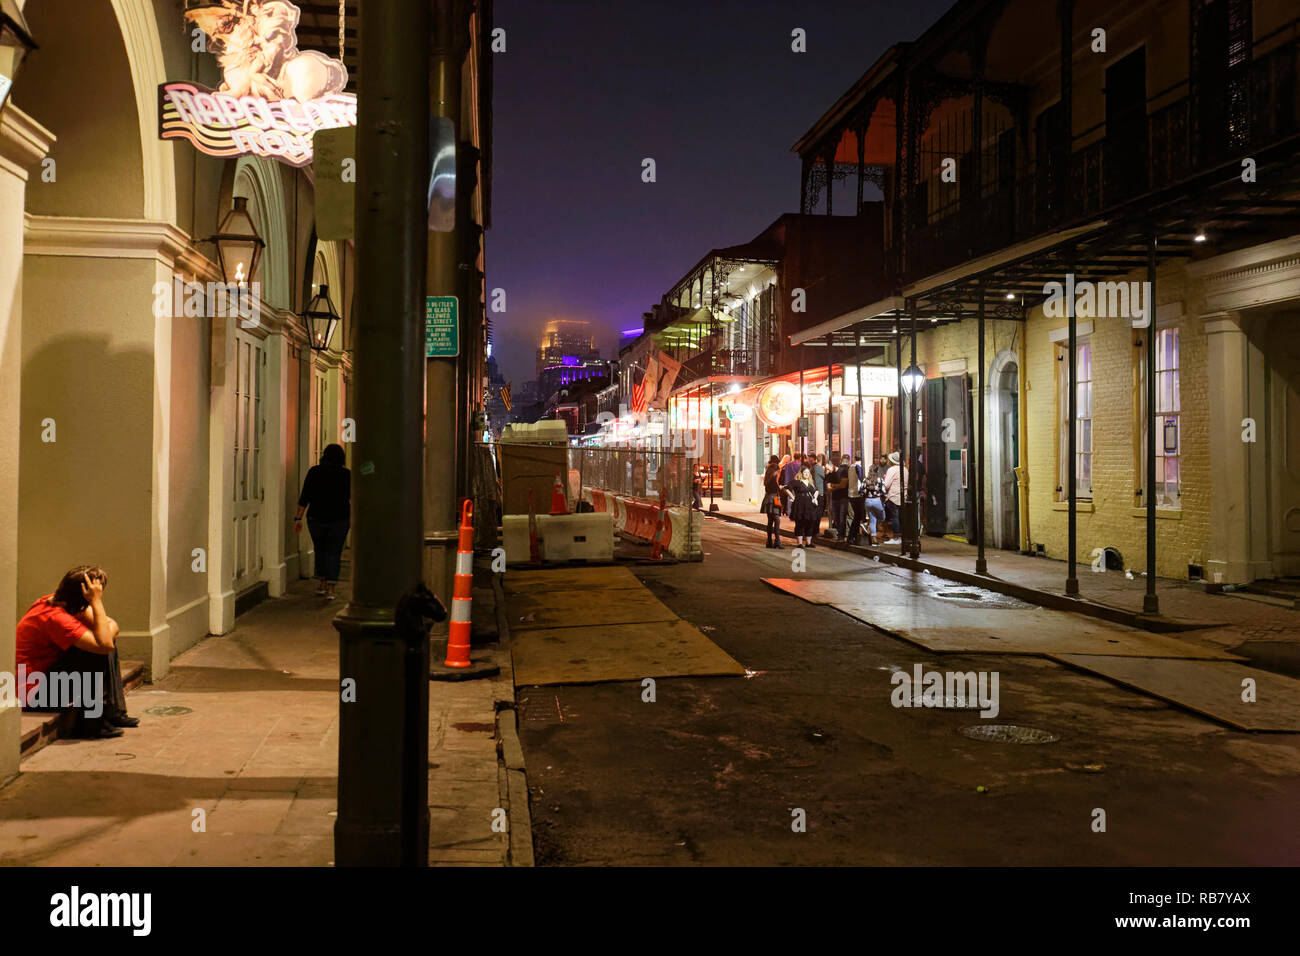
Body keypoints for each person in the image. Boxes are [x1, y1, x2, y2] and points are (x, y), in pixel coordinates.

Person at [15, 566, 136, 739]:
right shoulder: (55, 617)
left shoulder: (64, 602)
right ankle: (91, 723)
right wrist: (97, 602)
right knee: (95, 650)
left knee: (100, 642)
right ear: (84, 595)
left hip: (49, 679)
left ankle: (112, 712)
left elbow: (110, 625)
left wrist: (103, 625)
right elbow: (105, 643)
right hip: (33, 694)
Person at [295, 443, 352, 600]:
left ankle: (322, 584)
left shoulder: (314, 472)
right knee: (334, 552)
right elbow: (352, 499)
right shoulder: (346, 474)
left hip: (316, 518)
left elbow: (304, 497)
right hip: (340, 519)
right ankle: (332, 589)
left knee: (320, 550)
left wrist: (298, 518)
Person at [785, 458, 820, 547]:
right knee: (800, 523)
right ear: (801, 473)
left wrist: (815, 498)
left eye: (808, 473)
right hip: (800, 505)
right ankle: (800, 543)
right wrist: (793, 497)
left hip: (810, 506)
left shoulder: (811, 482)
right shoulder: (797, 482)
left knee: (810, 523)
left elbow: (816, 490)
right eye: (805, 473)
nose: (806, 474)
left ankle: (808, 543)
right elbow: (787, 488)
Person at [882, 451, 909, 542]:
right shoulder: (905, 470)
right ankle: (902, 536)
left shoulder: (892, 470)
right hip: (903, 497)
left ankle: (896, 536)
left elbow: (886, 485)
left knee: (894, 517)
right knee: (901, 517)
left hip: (893, 497)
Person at [863, 454, 888, 544]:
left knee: (872, 518)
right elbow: (883, 491)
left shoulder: (866, 480)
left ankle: (874, 538)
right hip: (877, 500)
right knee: (883, 516)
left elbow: (861, 490)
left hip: (868, 501)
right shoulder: (879, 480)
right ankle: (877, 528)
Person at [826, 451, 850, 540]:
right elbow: (842, 485)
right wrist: (836, 486)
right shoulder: (845, 470)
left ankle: (841, 535)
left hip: (837, 497)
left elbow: (831, 487)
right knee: (841, 517)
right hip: (843, 497)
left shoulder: (840, 470)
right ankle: (842, 535)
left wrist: (834, 487)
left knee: (838, 517)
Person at [761, 455, 783, 549]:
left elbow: (767, 486)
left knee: (770, 521)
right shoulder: (774, 476)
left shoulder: (768, 474)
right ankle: (777, 541)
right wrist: (780, 487)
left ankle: (769, 541)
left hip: (768, 497)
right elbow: (776, 487)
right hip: (774, 498)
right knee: (777, 520)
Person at [846, 451, 868, 545]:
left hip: (851, 493)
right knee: (858, 516)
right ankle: (852, 536)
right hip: (857, 494)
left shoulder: (851, 467)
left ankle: (853, 535)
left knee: (857, 516)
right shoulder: (858, 467)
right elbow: (861, 478)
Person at [811, 453, 827, 536]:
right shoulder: (819, 468)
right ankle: (815, 531)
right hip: (819, 493)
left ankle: (814, 530)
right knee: (818, 512)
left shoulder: (814, 468)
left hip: (815, 492)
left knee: (816, 512)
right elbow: (826, 477)